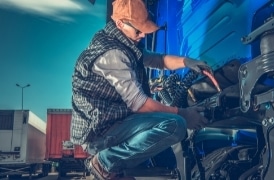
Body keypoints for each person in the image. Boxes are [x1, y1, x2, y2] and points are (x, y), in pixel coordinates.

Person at [70, 0, 212, 179]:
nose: (143, 34)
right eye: (138, 30)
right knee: (175, 125)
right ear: (120, 23)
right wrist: (184, 114)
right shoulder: (112, 54)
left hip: (113, 123)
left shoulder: (123, 42)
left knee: (165, 146)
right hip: (100, 133)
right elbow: (140, 104)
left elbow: (157, 60)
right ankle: (104, 163)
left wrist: (186, 62)